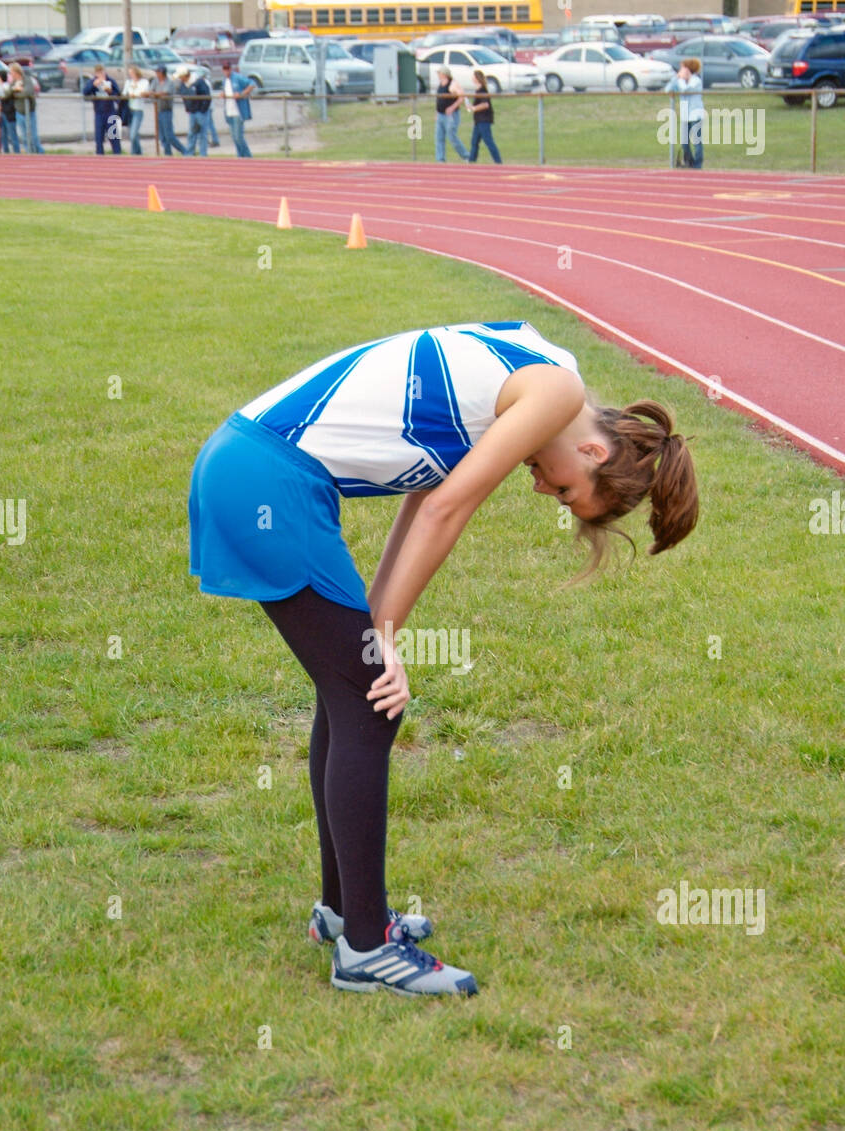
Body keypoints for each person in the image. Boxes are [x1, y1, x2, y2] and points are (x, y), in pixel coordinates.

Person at [188, 322, 699, 998]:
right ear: (593, 448)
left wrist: (375, 629)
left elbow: (426, 493)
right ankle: (365, 950)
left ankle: (344, 914)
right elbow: (447, 511)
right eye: (573, 491)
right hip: (266, 481)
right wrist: (384, 639)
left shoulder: (548, 374)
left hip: (255, 468)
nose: (549, 494)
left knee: (352, 693)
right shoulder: (554, 390)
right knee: (371, 706)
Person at [665, 57, 704, 170]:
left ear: (688, 69)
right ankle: (690, 162)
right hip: (685, 114)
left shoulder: (696, 81)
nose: (681, 70)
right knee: (684, 143)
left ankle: (698, 165)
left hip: (696, 115)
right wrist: (676, 78)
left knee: (697, 142)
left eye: (683, 68)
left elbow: (685, 90)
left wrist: (681, 79)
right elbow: (667, 90)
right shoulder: (679, 80)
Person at [82, 63, 122, 155]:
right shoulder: (93, 81)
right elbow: (85, 93)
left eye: (101, 72)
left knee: (114, 137)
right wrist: (93, 85)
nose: (100, 74)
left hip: (110, 112)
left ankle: (117, 155)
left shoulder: (110, 80)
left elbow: (118, 95)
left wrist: (110, 91)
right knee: (99, 138)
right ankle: (100, 155)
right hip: (99, 112)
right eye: (98, 72)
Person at [220, 59, 255, 157]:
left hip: (238, 112)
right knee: (234, 138)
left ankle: (247, 156)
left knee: (239, 137)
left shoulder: (237, 77)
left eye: (228, 69)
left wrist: (241, 94)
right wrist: (223, 94)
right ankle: (240, 156)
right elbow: (226, 92)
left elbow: (252, 84)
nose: (226, 71)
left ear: (231, 69)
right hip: (229, 111)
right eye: (224, 69)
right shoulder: (224, 81)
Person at [149, 64, 187, 155]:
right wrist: (154, 94)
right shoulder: (155, 81)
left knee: (169, 135)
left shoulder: (169, 83)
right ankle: (168, 154)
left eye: (158, 72)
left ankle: (185, 151)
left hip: (166, 110)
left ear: (162, 73)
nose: (157, 74)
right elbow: (151, 92)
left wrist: (156, 94)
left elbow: (165, 93)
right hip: (158, 110)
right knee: (162, 136)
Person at [467, 69, 502, 165]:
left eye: (473, 76)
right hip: (478, 120)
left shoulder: (482, 90)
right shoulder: (478, 90)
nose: (472, 78)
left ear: (477, 78)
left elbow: (485, 104)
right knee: (474, 142)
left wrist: (474, 108)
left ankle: (498, 161)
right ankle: (471, 161)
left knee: (488, 141)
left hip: (484, 120)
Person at [434, 65, 468, 163]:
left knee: (451, 136)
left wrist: (452, 107)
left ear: (444, 74)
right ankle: (440, 159)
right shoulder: (440, 84)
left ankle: (465, 155)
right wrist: (436, 112)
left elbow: (461, 97)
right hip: (441, 114)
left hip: (450, 115)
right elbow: (439, 100)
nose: (438, 75)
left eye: (439, 73)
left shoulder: (452, 84)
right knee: (439, 137)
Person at [176, 66, 212, 157]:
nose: (180, 79)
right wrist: (187, 108)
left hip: (200, 111)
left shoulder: (199, 82)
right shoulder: (183, 84)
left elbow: (207, 96)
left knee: (202, 133)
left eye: (181, 77)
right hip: (192, 111)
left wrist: (203, 109)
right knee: (192, 133)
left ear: (185, 75)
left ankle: (203, 154)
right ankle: (190, 153)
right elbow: (184, 96)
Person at [11, 62, 44, 153]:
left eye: (12, 72)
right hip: (19, 112)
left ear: (16, 72)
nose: (11, 74)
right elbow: (9, 93)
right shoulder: (13, 83)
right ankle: (29, 153)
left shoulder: (27, 80)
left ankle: (40, 153)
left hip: (29, 112)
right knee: (24, 136)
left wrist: (17, 92)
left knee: (33, 136)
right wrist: (15, 90)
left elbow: (27, 92)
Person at [122, 63, 150, 155]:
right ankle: (137, 153)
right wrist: (128, 95)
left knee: (133, 134)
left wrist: (136, 94)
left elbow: (144, 93)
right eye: (130, 73)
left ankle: (135, 153)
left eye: (132, 73)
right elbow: (124, 93)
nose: (131, 75)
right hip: (130, 109)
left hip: (138, 109)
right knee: (132, 134)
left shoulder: (144, 82)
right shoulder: (128, 82)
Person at [0, 70, 20, 152]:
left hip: (8, 113)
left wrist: (4, 107)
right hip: (1, 113)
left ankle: (16, 151)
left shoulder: (7, 87)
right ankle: (5, 151)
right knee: (3, 134)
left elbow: (9, 100)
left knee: (12, 134)